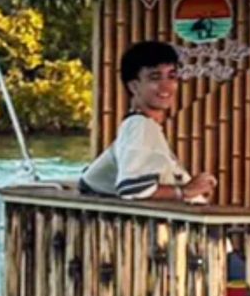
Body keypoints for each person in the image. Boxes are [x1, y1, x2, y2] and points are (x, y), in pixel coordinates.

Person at [78, 39, 218, 203]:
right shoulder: (140, 126)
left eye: (171, 77)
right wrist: (186, 191)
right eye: (155, 77)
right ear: (134, 86)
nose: (166, 86)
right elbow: (133, 190)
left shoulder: (145, 126)